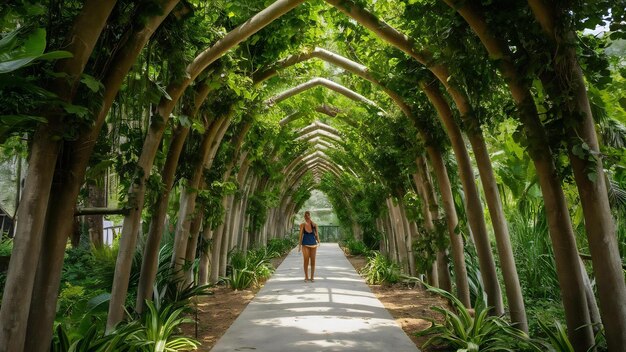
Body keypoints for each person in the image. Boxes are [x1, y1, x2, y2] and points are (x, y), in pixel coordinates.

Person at [298, 211, 320, 282]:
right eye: (305, 216)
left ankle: (312, 277)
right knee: (306, 260)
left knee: (313, 261)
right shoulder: (302, 225)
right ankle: (306, 277)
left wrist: (319, 242)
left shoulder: (314, 225)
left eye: (308, 216)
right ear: (304, 217)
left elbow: (317, 236)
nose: (306, 217)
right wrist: (299, 246)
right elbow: (300, 236)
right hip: (305, 245)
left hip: (313, 244)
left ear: (310, 216)